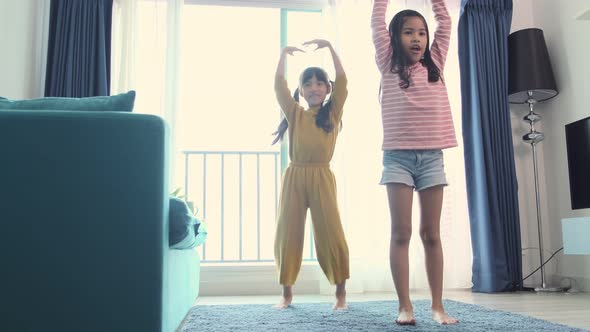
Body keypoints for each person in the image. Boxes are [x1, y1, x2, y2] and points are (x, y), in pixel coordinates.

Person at [371, 0, 459, 325]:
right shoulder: (387, 64)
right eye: (409, 32)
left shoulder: (435, 62)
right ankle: (404, 306)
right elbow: (376, 21)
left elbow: (445, 22)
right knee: (401, 232)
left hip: (432, 157)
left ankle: (437, 306)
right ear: (395, 38)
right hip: (397, 158)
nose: (417, 39)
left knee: (431, 234)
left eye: (422, 33)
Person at [272, 39, 349, 310]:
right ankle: (286, 294)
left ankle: (340, 295)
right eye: (307, 84)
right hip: (294, 177)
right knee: (288, 233)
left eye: (319, 83)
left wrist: (330, 48)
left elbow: (342, 79)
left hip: (322, 177)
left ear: (327, 89)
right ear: (301, 91)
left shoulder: (333, 112)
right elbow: (278, 85)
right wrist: (283, 54)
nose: (314, 88)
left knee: (331, 232)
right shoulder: (294, 113)